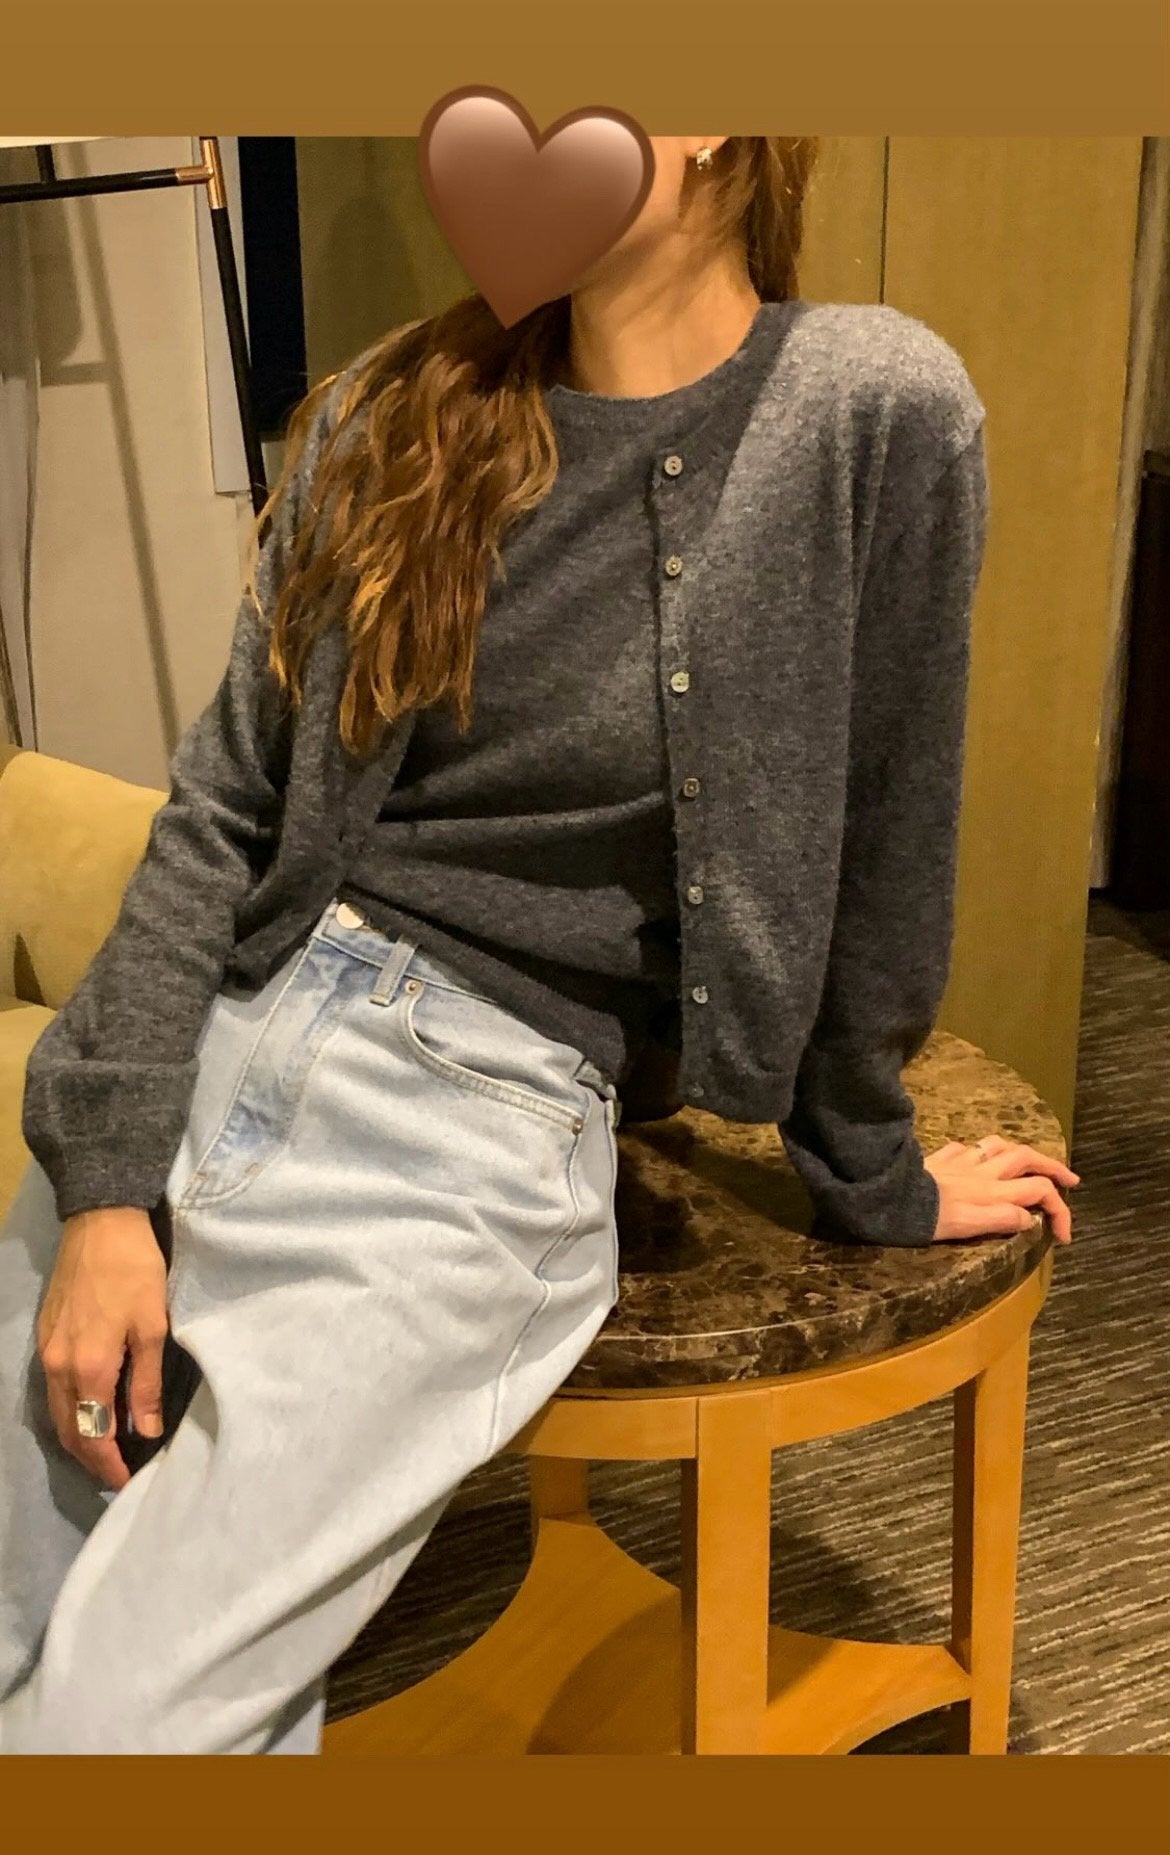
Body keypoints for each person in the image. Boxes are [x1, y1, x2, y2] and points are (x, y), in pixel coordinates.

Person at [0, 134, 1078, 1755]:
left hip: (463, 1132)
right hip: (228, 1037)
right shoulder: (392, 413)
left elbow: (888, 819)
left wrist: (872, 1172)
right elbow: (221, 810)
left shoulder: (865, 405)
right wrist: (103, 1185)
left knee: (114, 1728)